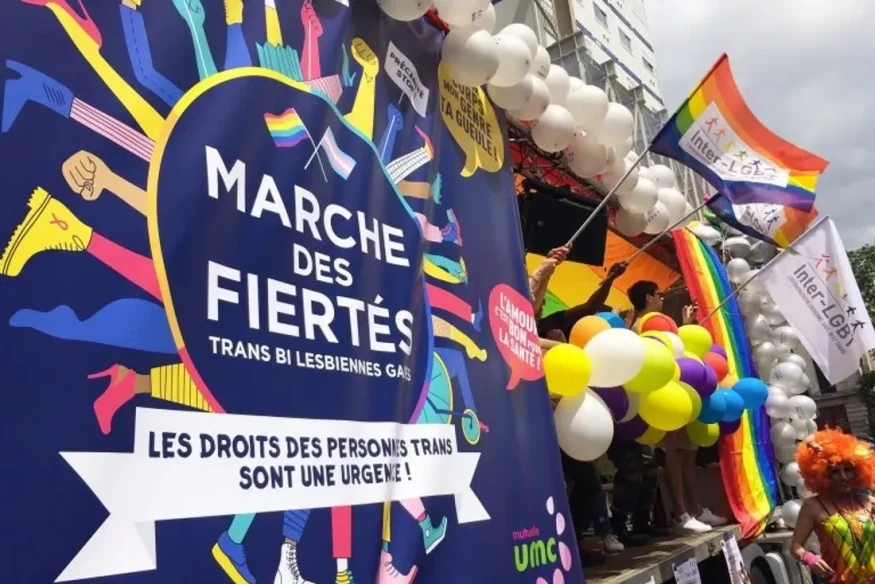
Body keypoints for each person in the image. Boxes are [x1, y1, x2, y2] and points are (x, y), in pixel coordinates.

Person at [791, 429, 875, 583]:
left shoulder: (868, 502)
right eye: (835, 472)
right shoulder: (813, 506)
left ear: (858, 471)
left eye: (847, 469)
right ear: (823, 474)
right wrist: (809, 558)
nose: (843, 477)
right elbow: (795, 546)